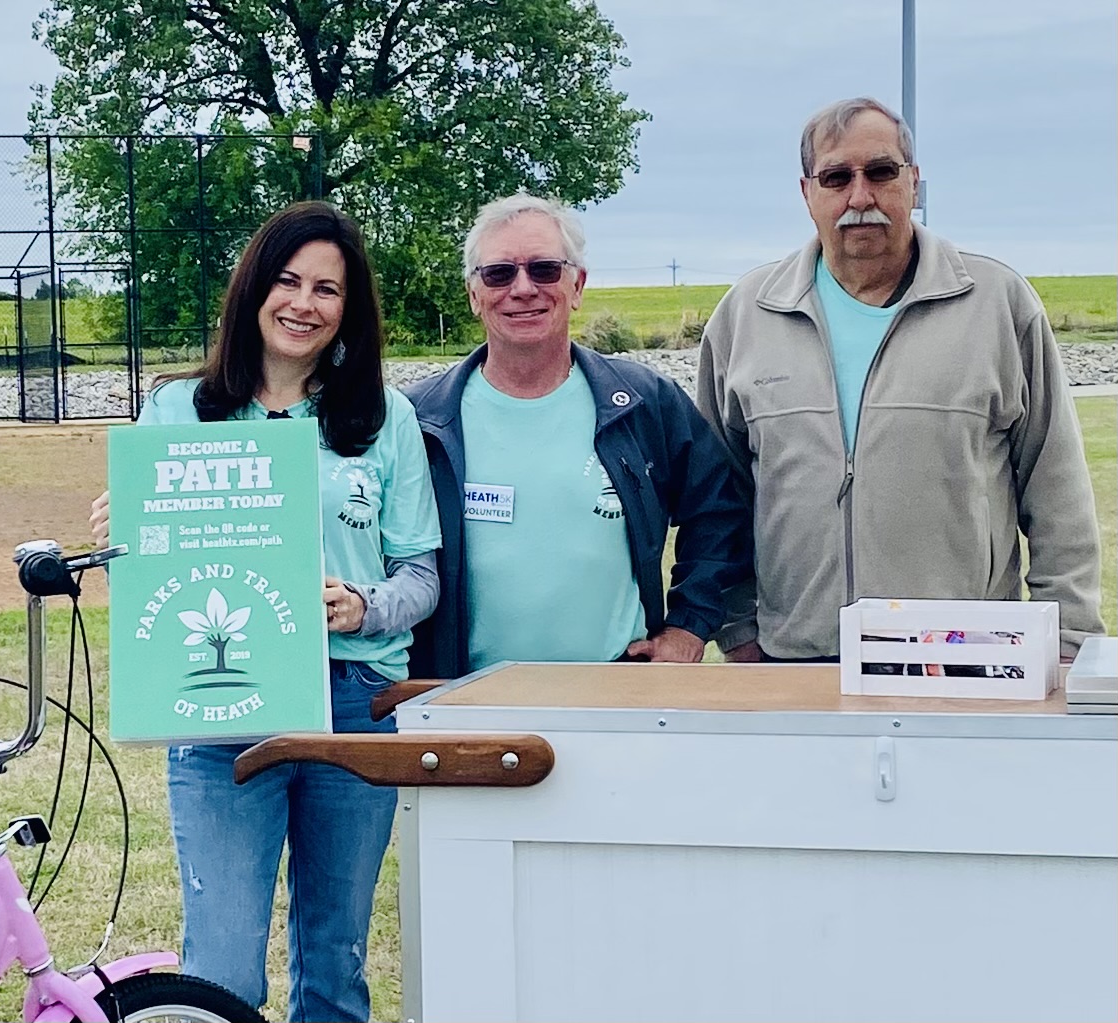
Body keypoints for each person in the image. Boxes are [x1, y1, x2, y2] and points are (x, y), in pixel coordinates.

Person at [89, 201, 441, 1021]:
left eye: (327, 288)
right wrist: (123, 540)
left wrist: (364, 604)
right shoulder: (177, 410)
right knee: (221, 967)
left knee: (336, 960)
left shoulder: (382, 419)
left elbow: (419, 571)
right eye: (287, 280)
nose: (303, 303)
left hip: (352, 703)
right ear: (253, 289)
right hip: (219, 712)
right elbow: (148, 582)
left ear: (348, 309)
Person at [696, 96, 1105, 663]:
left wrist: (1067, 640)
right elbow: (718, 499)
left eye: (881, 172)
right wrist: (739, 632)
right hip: (794, 662)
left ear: (914, 182)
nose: (860, 197)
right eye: (836, 177)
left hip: (965, 658)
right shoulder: (747, 315)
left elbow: (1056, 488)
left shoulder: (996, 305)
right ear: (806, 193)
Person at [405, 192, 750, 679]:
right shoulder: (418, 421)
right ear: (473, 294)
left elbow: (720, 512)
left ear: (578, 284)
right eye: (499, 273)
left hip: (615, 700)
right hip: (461, 703)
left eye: (544, 269)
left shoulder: (644, 403)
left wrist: (690, 626)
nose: (522, 289)